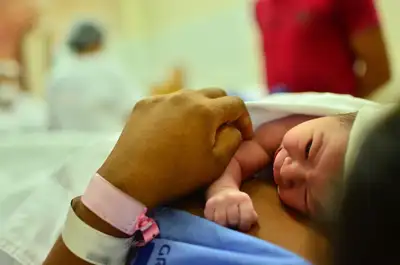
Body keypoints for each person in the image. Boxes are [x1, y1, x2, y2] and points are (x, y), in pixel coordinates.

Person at [204, 113, 355, 230]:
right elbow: (235, 158)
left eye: (306, 196)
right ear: (327, 116)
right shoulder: (295, 123)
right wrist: (224, 189)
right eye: (308, 150)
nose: (288, 171)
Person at [254, 0, 391, 98]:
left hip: (333, 125)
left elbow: (378, 70)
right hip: (282, 124)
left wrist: (341, 112)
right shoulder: (262, 6)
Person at [47, 21, 140, 131]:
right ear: (97, 43)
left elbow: (52, 121)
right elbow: (134, 110)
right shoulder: (108, 69)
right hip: (108, 143)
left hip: (69, 144)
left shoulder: (57, 75)